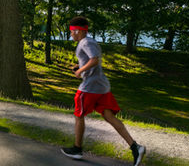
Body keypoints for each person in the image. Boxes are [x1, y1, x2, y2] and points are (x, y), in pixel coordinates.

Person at [61, 16, 146, 165]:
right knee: (109, 116)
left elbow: (94, 60)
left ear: (78, 31)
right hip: (101, 87)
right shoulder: (90, 41)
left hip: (90, 87)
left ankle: (77, 149)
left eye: (72, 31)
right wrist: (79, 66)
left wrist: (80, 71)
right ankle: (135, 148)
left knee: (79, 115)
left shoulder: (85, 42)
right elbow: (92, 60)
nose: (71, 34)